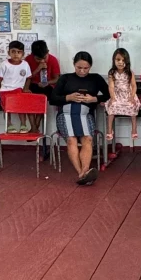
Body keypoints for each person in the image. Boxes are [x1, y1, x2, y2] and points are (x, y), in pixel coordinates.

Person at [50, 52, 110, 185]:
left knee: (87, 139)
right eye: (79, 68)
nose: (82, 71)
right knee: (71, 140)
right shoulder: (65, 78)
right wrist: (68, 97)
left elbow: (108, 94)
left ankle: (85, 171)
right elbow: (52, 99)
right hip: (65, 114)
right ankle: (81, 173)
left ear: (90, 67)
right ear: (74, 65)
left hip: (85, 114)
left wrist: (94, 98)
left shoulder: (95, 78)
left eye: (86, 68)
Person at [0, 40, 32, 133]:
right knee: (7, 108)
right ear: (8, 52)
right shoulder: (5, 64)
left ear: (23, 54)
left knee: (21, 107)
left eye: (19, 52)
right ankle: (9, 124)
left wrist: (26, 88)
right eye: (13, 51)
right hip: (5, 90)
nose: (16, 54)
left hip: (19, 90)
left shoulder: (25, 64)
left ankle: (23, 124)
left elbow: (29, 78)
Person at [25, 40, 60, 134]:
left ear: (47, 51)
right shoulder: (28, 60)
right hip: (32, 85)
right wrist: (38, 68)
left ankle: (34, 128)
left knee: (41, 99)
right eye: (37, 59)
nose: (41, 61)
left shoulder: (53, 60)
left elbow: (57, 79)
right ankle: (34, 127)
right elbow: (25, 77)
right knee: (28, 99)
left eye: (44, 57)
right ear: (32, 55)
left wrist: (47, 82)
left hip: (47, 86)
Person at [105, 48, 141, 141]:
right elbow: (111, 87)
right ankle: (109, 130)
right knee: (112, 106)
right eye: (118, 60)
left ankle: (134, 129)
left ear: (127, 61)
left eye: (123, 60)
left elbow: (133, 86)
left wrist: (132, 97)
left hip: (128, 95)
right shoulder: (112, 73)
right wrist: (112, 98)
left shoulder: (129, 73)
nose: (120, 62)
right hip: (117, 95)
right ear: (114, 60)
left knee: (132, 106)